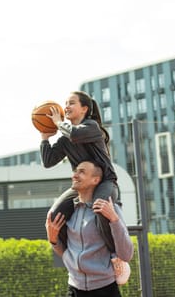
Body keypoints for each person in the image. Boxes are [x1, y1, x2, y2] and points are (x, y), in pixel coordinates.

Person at [40, 91, 119, 252]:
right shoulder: (65, 139)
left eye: (71, 103)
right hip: (82, 187)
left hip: (104, 183)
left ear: (84, 109)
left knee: (100, 207)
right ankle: (70, 255)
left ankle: (115, 255)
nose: (66, 107)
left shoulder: (92, 127)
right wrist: (44, 138)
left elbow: (75, 134)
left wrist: (58, 123)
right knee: (54, 216)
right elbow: (48, 162)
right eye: (66, 103)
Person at [45, 160, 134, 296]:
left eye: (82, 172)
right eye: (75, 171)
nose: (75, 175)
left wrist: (114, 220)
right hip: (74, 288)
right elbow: (65, 252)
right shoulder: (70, 212)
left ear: (95, 180)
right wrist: (53, 241)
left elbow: (127, 254)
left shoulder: (110, 209)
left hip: (105, 289)